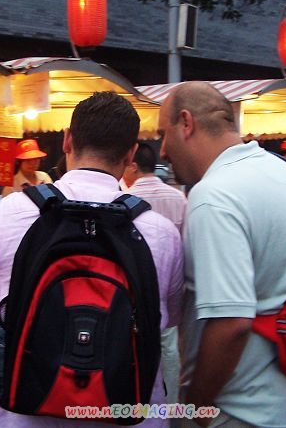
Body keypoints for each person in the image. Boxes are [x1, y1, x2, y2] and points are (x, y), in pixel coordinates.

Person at [0, 91, 184, 427]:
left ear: (67, 140)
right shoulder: (160, 232)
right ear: (131, 154)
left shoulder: (12, 212)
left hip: (21, 416)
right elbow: (166, 319)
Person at [158, 81, 286, 428]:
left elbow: (231, 323)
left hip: (233, 410)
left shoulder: (214, 196)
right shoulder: (284, 172)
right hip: (285, 399)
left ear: (186, 123)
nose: (163, 151)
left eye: (163, 134)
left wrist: (195, 407)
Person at [122, 142, 187, 411]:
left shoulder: (123, 198)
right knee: (169, 349)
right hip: (168, 287)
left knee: (134, 349)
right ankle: (169, 406)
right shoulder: (178, 198)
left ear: (133, 166)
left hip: (132, 291)